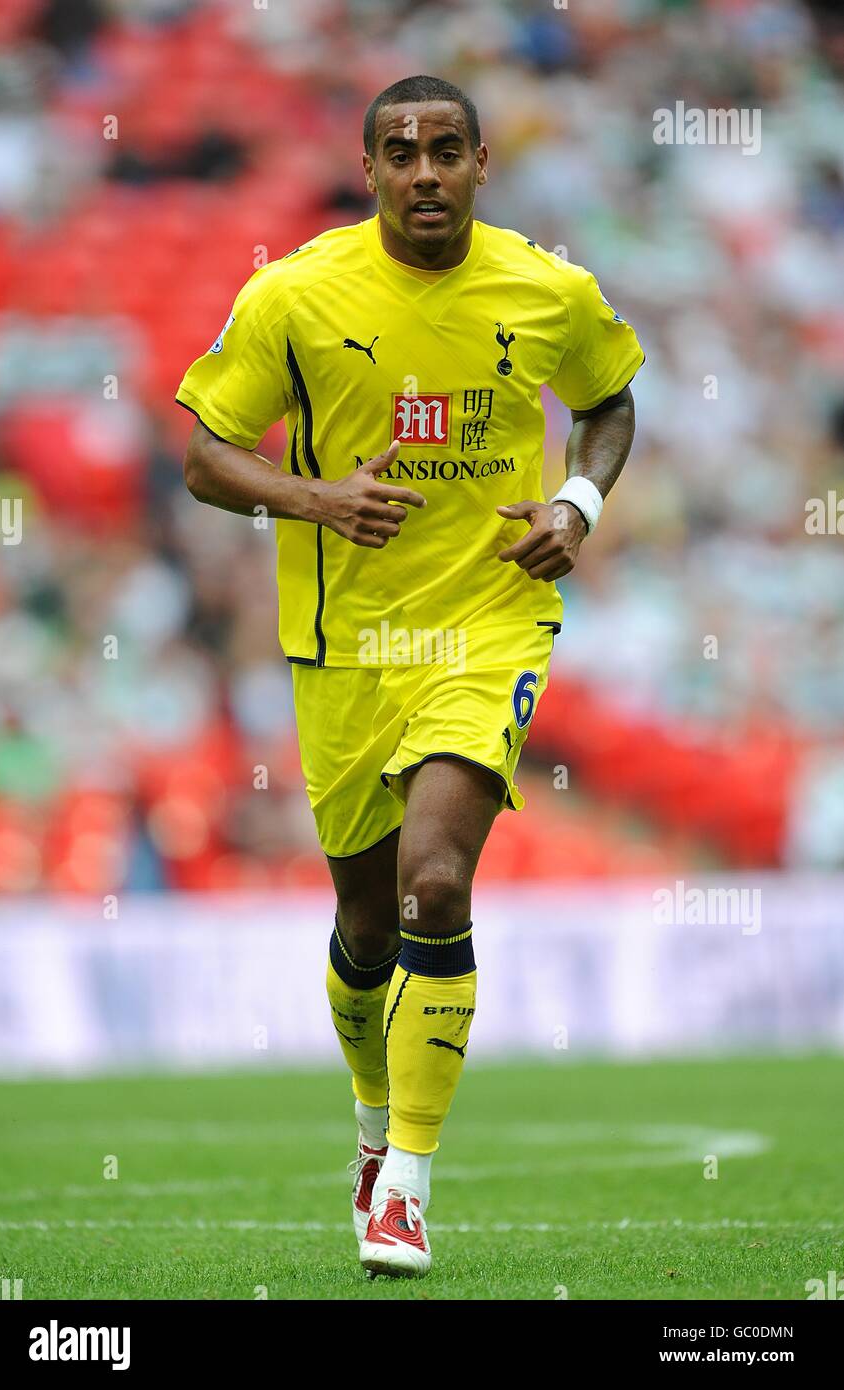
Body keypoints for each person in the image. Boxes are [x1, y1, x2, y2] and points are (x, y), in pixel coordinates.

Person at [177, 74, 643, 1279]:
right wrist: (312, 495)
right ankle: (372, 1130)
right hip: (346, 649)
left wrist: (579, 506)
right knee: (365, 918)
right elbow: (204, 455)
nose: (425, 171)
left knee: (436, 882)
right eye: (402, 152)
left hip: (490, 625)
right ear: (369, 168)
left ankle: (408, 1189)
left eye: (446, 150)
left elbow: (609, 403)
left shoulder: (548, 290)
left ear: (484, 164)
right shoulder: (295, 293)